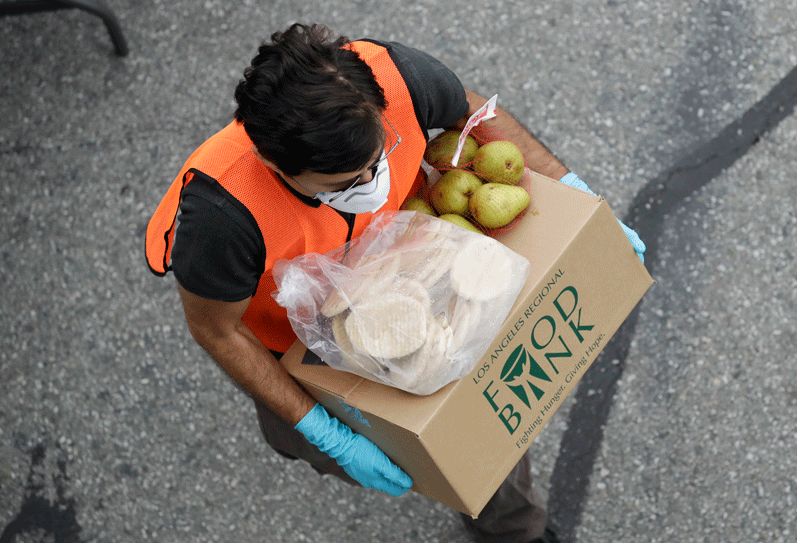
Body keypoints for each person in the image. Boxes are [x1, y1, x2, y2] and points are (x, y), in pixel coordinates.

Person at [145, 23, 643, 543]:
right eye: (345, 182)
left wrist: (577, 194)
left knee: (484, 437)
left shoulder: (397, 74)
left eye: (377, 158)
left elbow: (473, 115)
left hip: (419, 273)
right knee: (383, 453)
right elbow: (216, 329)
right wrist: (326, 433)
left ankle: (515, 530)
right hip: (306, 342)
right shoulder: (222, 216)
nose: (371, 183)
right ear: (275, 165)